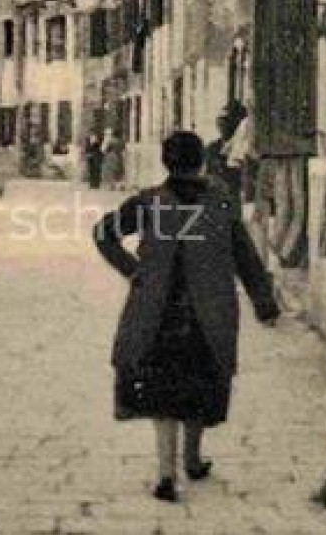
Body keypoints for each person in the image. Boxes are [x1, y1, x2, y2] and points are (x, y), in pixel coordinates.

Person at [93, 130, 281, 503]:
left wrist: (133, 270)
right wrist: (264, 302)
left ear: (166, 162)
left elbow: (103, 234)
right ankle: (193, 461)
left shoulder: (148, 203)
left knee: (163, 393)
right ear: (202, 163)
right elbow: (245, 256)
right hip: (207, 313)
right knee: (200, 381)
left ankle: (167, 473)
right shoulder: (220, 202)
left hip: (157, 313)